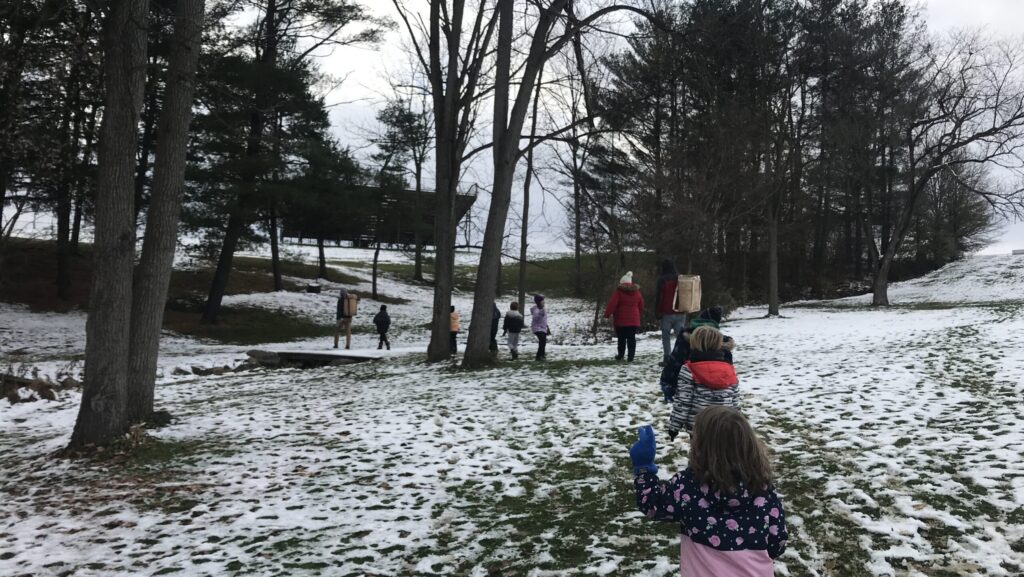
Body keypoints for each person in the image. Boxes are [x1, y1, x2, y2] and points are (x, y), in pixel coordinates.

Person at [628, 408, 789, 577]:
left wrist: (643, 468)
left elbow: (653, 504)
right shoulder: (763, 491)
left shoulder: (687, 487)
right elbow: (777, 543)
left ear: (700, 448)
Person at [662, 326, 739, 439]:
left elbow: (683, 400)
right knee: (721, 454)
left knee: (699, 454)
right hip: (724, 423)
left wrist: (675, 426)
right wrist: (737, 423)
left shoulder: (689, 369)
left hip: (698, 425)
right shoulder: (728, 368)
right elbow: (735, 399)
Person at [603, 271, 645, 362]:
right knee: (631, 338)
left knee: (621, 339)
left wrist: (607, 314)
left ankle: (620, 355)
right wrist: (638, 314)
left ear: (622, 282)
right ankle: (631, 357)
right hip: (634, 320)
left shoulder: (619, 291)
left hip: (621, 320)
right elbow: (641, 304)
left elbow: (612, 304)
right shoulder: (637, 292)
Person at [655, 260, 685, 366]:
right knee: (681, 336)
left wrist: (657, 312)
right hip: (681, 311)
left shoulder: (662, 280)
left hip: (667, 312)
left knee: (666, 336)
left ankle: (667, 358)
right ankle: (682, 356)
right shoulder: (681, 279)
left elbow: (659, 297)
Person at [530, 294, 550, 360]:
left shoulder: (542, 308)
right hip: (538, 328)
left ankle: (541, 355)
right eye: (542, 301)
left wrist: (547, 326)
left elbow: (544, 318)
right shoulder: (536, 309)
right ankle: (540, 356)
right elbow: (536, 317)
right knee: (542, 341)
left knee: (543, 342)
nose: (544, 302)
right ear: (539, 302)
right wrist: (541, 313)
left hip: (543, 328)